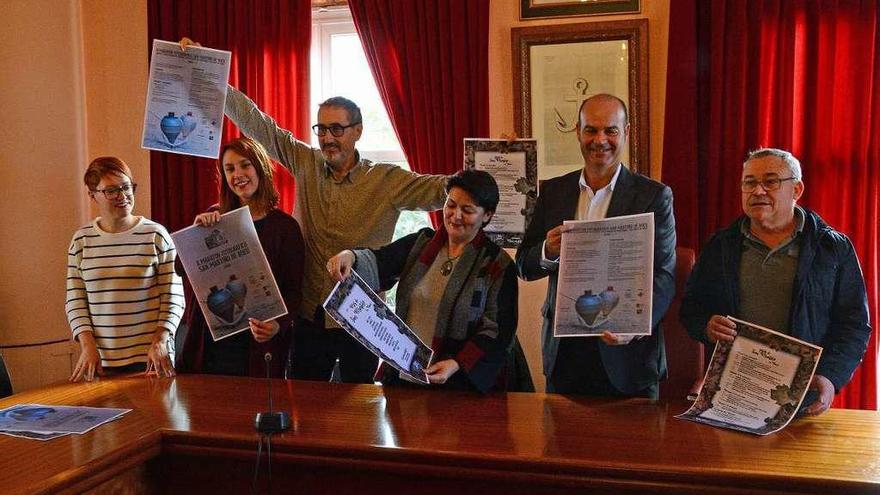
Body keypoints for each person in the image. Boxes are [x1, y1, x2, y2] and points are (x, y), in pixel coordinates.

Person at [180, 37, 447, 383]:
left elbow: (444, 190)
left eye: (337, 129)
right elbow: (257, 123)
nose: (328, 138)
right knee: (306, 407)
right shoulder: (306, 162)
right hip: (310, 318)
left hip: (361, 319)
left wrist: (498, 165)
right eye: (322, 129)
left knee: (360, 412)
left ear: (358, 131)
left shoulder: (387, 179)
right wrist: (207, 70)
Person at [680, 148, 871, 416]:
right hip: (732, 395)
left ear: (796, 189)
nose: (758, 191)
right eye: (749, 182)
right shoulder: (720, 246)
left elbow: (854, 325)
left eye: (770, 181)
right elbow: (691, 308)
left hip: (800, 398)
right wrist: (706, 326)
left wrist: (830, 377)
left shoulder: (832, 249)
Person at [516, 94, 676, 398]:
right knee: (561, 444)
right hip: (565, 357)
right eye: (591, 130)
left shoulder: (653, 196)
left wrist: (637, 325)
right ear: (577, 131)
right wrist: (547, 251)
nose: (600, 140)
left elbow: (664, 276)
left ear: (626, 133)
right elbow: (524, 264)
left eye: (610, 131)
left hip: (628, 357)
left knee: (630, 447)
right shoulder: (553, 191)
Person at [326, 170, 525, 393]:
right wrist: (351, 256)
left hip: (456, 384)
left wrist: (457, 363)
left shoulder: (497, 264)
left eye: (467, 210)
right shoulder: (422, 243)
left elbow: (497, 331)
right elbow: (380, 260)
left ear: (487, 215)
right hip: (404, 375)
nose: (455, 216)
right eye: (451, 205)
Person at [176, 137, 304, 378]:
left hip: (257, 345)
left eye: (245, 165)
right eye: (230, 168)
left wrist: (279, 325)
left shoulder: (285, 228)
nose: (238, 174)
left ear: (260, 168)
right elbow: (182, 270)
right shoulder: (213, 218)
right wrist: (195, 235)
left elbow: (295, 292)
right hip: (211, 343)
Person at [66, 157, 185, 382]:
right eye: (111, 190)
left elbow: (174, 296)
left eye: (126, 187)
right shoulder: (81, 240)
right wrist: (87, 344)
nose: (122, 196)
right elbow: (75, 300)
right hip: (101, 364)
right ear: (93, 195)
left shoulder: (156, 235)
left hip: (151, 363)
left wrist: (160, 340)